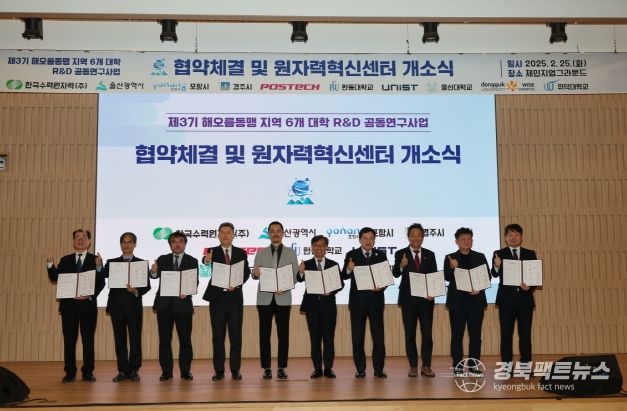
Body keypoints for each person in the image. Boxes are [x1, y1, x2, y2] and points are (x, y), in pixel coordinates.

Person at [46, 229, 106, 383]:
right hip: (69, 308)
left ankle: (88, 372)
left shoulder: (96, 260)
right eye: (77, 237)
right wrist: (50, 263)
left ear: (89, 241)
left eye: (84, 237)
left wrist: (99, 267)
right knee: (69, 341)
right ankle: (70, 372)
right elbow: (54, 278)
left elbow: (101, 282)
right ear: (73, 241)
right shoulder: (65, 260)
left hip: (88, 307)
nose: (80, 240)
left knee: (88, 341)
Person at [202, 222, 251, 381]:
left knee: (235, 336)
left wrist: (237, 283)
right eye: (222, 232)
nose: (225, 235)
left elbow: (246, 272)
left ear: (233, 235)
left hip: (235, 298)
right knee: (218, 337)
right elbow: (205, 261)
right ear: (218, 235)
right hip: (218, 299)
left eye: (228, 232)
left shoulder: (241, 253)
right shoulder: (212, 251)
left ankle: (235, 370)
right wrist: (207, 260)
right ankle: (219, 371)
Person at [252, 221, 299, 380]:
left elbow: (294, 276)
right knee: (264, 335)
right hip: (264, 299)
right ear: (268, 234)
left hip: (283, 298)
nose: (275, 233)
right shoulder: (261, 253)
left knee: (283, 334)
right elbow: (254, 274)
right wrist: (255, 273)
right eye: (272, 231)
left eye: (278, 231)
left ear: (283, 233)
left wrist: (285, 286)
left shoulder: (291, 253)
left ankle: (281, 367)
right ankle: (266, 367)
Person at [102, 232, 151, 382]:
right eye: (124, 242)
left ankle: (134, 369)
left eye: (130, 242)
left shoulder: (142, 263)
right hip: (116, 307)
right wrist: (98, 266)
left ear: (135, 244)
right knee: (120, 340)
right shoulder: (112, 262)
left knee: (135, 339)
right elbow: (102, 275)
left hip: (134, 307)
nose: (126, 244)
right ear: (120, 245)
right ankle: (123, 370)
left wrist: (136, 290)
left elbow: (147, 286)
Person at [150, 231, 198, 381]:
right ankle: (166, 372)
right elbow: (154, 276)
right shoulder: (162, 259)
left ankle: (185, 371)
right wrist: (153, 272)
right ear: (170, 244)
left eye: (180, 241)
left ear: (185, 244)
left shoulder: (192, 261)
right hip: (164, 306)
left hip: (183, 305)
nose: (177, 244)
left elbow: (194, 282)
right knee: (164, 340)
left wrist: (187, 292)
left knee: (185, 340)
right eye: (174, 241)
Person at [341, 227, 388, 379]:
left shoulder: (381, 255)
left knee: (378, 338)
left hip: (376, 302)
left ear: (374, 240)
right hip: (358, 303)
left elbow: (386, 277)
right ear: (360, 239)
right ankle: (360, 369)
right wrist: (349, 269)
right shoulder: (352, 255)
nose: (368, 241)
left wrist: (382, 286)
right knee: (357, 338)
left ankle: (379, 369)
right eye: (365, 238)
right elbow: (344, 276)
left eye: (371, 238)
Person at [392, 223, 437, 378]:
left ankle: (426, 366)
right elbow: (395, 274)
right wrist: (401, 266)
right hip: (408, 300)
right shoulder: (400, 253)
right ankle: (413, 366)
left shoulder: (430, 254)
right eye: (413, 235)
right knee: (410, 334)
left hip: (426, 301)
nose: (416, 238)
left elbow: (433, 276)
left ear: (423, 237)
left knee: (427, 335)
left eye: (419, 236)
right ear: (408, 237)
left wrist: (433, 292)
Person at [297, 235, 344, 379]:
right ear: (311, 248)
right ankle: (317, 368)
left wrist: (332, 290)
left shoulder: (333, 264)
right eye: (316, 245)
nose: (319, 248)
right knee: (315, 339)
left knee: (329, 339)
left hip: (328, 307)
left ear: (326, 248)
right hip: (312, 307)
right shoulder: (306, 264)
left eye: (322, 245)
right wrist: (301, 272)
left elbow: (341, 284)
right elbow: (299, 279)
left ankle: (328, 368)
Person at [444, 227, 489, 374]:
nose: (466, 241)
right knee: (457, 336)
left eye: (469, 238)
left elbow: (487, 277)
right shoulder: (450, 257)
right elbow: (447, 277)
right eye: (462, 239)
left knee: (475, 336)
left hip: (476, 301)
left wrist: (479, 288)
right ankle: (457, 365)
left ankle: (473, 365)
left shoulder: (480, 256)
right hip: (457, 302)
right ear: (456, 241)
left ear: (472, 240)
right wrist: (453, 268)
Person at [491, 223, 538, 364]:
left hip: (525, 300)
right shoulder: (499, 253)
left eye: (516, 235)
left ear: (521, 237)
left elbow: (535, 275)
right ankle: (506, 365)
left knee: (525, 335)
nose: (513, 237)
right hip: (506, 301)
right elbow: (494, 274)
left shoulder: (530, 253)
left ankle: (525, 364)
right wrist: (496, 266)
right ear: (505, 238)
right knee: (506, 335)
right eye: (510, 235)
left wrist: (529, 287)